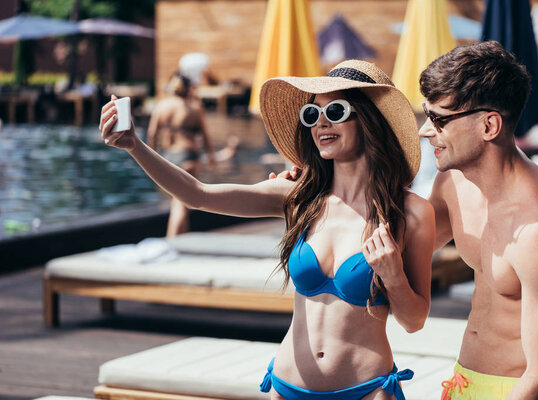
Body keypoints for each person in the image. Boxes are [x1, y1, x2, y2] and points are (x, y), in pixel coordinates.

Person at [100, 59, 435, 399]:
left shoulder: (410, 213)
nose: (320, 123)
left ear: (369, 119)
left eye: (334, 111)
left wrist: (394, 277)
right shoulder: (298, 197)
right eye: (311, 114)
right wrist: (134, 146)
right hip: (287, 387)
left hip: (367, 390)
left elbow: (413, 321)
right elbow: (196, 195)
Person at [418, 41, 538, 399]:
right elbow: (404, 244)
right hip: (462, 382)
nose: (425, 130)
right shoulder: (452, 183)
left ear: (489, 125)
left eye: (439, 119)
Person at [146, 72, 216, 237]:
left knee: (179, 201)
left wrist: (152, 159)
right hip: (188, 157)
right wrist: (211, 155)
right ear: (188, 89)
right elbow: (205, 136)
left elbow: (152, 134)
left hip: (168, 157)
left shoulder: (161, 106)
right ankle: (173, 241)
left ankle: (181, 240)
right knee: (182, 203)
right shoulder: (194, 107)